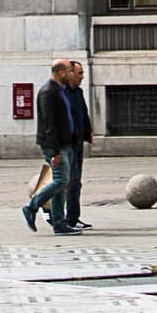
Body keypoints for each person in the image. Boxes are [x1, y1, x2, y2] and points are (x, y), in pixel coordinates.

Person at [25, 58, 93, 232]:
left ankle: (59, 223)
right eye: (70, 71)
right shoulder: (48, 92)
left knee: (63, 183)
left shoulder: (61, 91)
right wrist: (55, 151)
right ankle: (32, 206)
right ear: (62, 72)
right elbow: (49, 124)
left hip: (67, 143)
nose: (73, 74)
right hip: (55, 145)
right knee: (62, 181)